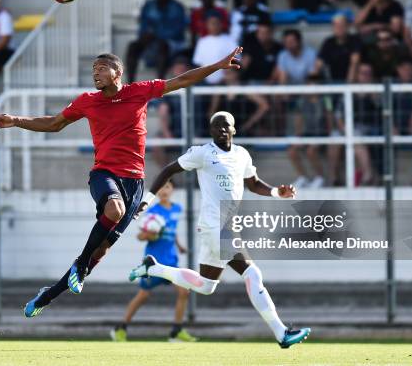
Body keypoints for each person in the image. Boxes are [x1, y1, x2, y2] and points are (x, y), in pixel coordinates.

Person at [0, 46, 244, 315]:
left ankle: (47, 295)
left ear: (117, 72)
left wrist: (217, 65)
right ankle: (80, 265)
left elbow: (181, 81)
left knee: (103, 249)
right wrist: (15, 120)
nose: (95, 73)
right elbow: (53, 123)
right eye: (93, 70)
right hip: (104, 174)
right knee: (113, 211)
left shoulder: (139, 92)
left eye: (101, 68)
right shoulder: (87, 100)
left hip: (135, 183)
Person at [129, 111, 311, 349]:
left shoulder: (242, 155)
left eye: (225, 126)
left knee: (206, 285)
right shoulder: (202, 153)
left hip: (221, 227)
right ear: (210, 131)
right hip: (215, 226)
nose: (221, 130)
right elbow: (168, 170)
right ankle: (281, 332)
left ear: (234, 129)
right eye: (216, 127)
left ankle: (154, 268)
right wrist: (148, 199)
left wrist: (278, 192)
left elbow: (254, 183)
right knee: (251, 273)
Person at [110, 180, 196, 343]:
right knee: (143, 296)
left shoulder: (177, 209)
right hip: (154, 263)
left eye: (168, 187)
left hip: (171, 261)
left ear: (172, 190)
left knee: (184, 291)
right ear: (157, 192)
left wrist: (179, 246)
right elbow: (140, 236)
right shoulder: (152, 212)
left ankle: (176, 332)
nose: (164, 190)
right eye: (161, 187)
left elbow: (173, 231)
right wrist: (150, 235)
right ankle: (120, 327)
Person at [125, 0, 187, 83]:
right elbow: (143, 26)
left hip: (171, 43)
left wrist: (157, 36)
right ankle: (130, 85)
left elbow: (178, 31)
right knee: (133, 46)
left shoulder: (177, 7)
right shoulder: (148, 6)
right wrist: (144, 35)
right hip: (151, 42)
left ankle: (159, 84)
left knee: (162, 45)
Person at [287, 73, 333, 189]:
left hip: (322, 133)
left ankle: (320, 178)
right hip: (307, 133)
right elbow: (299, 119)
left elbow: (330, 118)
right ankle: (303, 178)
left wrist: (330, 135)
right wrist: (298, 136)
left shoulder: (325, 99)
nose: (311, 87)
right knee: (292, 151)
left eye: (314, 84)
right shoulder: (302, 101)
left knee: (311, 151)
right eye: (309, 84)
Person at [192, 14, 238, 85]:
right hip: (205, 82)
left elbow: (236, 62)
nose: (214, 26)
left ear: (221, 24)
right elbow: (198, 63)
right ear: (207, 25)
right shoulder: (202, 42)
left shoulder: (230, 40)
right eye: (212, 23)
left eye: (217, 23)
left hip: (225, 82)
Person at [314, 14, 361, 83]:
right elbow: (319, 62)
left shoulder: (354, 40)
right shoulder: (328, 42)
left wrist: (348, 86)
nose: (339, 28)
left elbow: (354, 62)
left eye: (342, 25)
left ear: (347, 26)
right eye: (336, 26)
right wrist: (314, 76)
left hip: (353, 79)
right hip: (334, 78)